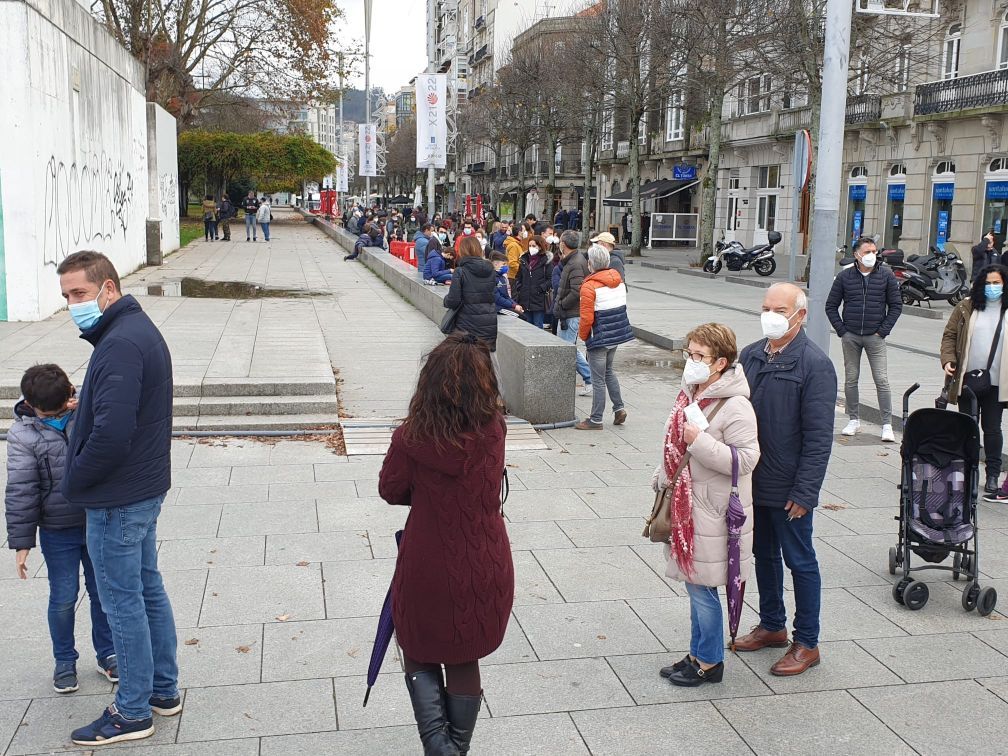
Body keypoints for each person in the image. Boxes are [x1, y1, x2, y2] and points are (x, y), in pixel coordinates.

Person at [56, 251, 179, 746]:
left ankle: (131, 711)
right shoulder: (130, 332)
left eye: (79, 294)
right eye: (66, 296)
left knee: (122, 602)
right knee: (146, 589)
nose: (72, 305)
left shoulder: (122, 343)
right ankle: (162, 690)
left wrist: (74, 482)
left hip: (117, 496)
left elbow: (112, 433)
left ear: (108, 288)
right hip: (140, 488)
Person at [379, 333, 513, 755]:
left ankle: (439, 747)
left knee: (418, 646)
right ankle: (453, 748)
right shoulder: (494, 429)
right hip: (486, 559)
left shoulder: (411, 437)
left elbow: (390, 489)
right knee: (463, 655)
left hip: (429, 562)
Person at [735, 283, 836, 677]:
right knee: (763, 555)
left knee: (800, 561)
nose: (771, 315)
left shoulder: (814, 364)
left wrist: (806, 490)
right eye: (765, 308)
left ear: (800, 314)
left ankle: (807, 642)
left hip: (790, 486)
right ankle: (773, 625)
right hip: (753, 480)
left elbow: (818, 436)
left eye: (779, 309)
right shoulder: (752, 354)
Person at [654, 324, 759, 687]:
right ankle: (698, 653)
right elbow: (675, 446)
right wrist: (663, 473)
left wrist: (699, 442)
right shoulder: (691, 393)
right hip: (689, 507)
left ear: (720, 363)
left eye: (700, 356)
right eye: (689, 354)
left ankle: (710, 661)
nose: (692, 361)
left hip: (713, 512)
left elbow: (747, 460)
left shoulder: (736, 405)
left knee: (702, 588)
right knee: (693, 583)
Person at [6, 364, 117, 695]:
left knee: (102, 592)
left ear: (70, 392)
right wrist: (22, 541)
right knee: (63, 596)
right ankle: (64, 660)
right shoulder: (23, 434)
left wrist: (81, 407)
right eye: (48, 412)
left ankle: (107, 652)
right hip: (57, 530)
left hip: (97, 520)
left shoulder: (86, 408)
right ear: (31, 405)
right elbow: (21, 488)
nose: (56, 414)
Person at [825, 235, 902, 442]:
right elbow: (831, 306)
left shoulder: (886, 276)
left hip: (875, 337)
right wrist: (842, 330)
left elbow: (896, 306)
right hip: (851, 335)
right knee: (851, 378)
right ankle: (853, 419)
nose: (871, 255)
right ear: (857, 254)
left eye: (874, 252)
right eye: (867, 252)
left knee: (882, 380)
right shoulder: (845, 277)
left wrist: (882, 331)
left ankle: (887, 424)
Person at [940, 264, 1008, 501]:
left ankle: (992, 475)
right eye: (988, 283)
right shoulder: (966, 306)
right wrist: (948, 360)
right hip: (967, 379)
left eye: (997, 283)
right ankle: (968, 473)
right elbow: (949, 335)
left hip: (998, 382)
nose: (992, 288)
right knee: (968, 427)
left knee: (992, 428)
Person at [576, 244, 633, 430]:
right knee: (608, 372)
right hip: (616, 334)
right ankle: (619, 408)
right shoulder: (618, 281)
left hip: (599, 336)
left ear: (591, 263)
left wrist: (584, 337)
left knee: (597, 378)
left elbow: (586, 318)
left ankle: (596, 419)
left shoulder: (589, 286)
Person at [554, 230, 593, 397]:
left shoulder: (575, 262)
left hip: (571, 313)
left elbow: (577, 291)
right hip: (567, 312)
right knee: (568, 348)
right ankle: (590, 378)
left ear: (564, 244)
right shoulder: (572, 260)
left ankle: (591, 378)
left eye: (560, 242)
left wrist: (562, 304)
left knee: (568, 350)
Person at [443, 237, 498, 352]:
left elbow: (453, 300)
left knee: (465, 360)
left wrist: (445, 300)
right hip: (488, 323)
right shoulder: (491, 270)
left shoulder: (460, 271)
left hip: (466, 325)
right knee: (485, 359)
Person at [513, 235, 551, 329]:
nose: (531, 248)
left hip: (539, 299)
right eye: (530, 245)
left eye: (534, 246)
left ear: (540, 246)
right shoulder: (524, 259)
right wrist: (520, 288)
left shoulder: (546, 261)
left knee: (538, 326)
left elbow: (550, 279)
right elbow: (518, 277)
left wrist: (541, 288)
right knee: (526, 326)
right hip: (525, 299)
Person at [491, 252, 523, 316]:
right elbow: (497, 298)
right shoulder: (491, 278)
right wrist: (513, 306)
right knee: (519, 316)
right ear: (495, 264)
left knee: (522, 314)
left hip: (503, 306)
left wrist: (515, 304)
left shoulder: (502, 278)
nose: (506, 267)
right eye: (504, 264)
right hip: (497, 308)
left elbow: (506, 296)